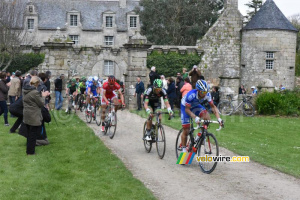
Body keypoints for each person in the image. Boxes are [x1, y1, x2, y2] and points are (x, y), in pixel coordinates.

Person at [180, 80, 223, 152]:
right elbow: (187, 110)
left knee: (207, 118)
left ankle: (199, 135)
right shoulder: (191, 95)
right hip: (186, 107)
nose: (204, 94)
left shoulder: (207, 95)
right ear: (198, 90)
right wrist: (195, 117)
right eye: (203, 92)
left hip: (196, 105)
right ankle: (183, 148)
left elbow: (213, 107)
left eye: (206, 92)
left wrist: (219, 119)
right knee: (186, 129)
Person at [23, 76, 49, 155]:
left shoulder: (25, 90)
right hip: (33, 115)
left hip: (27, 113)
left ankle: (29, 150)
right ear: (37, 83)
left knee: (29, 133)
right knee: (33, 134)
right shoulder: (34, 92)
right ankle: (31, 152)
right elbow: (41, 103)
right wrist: (43, 96)